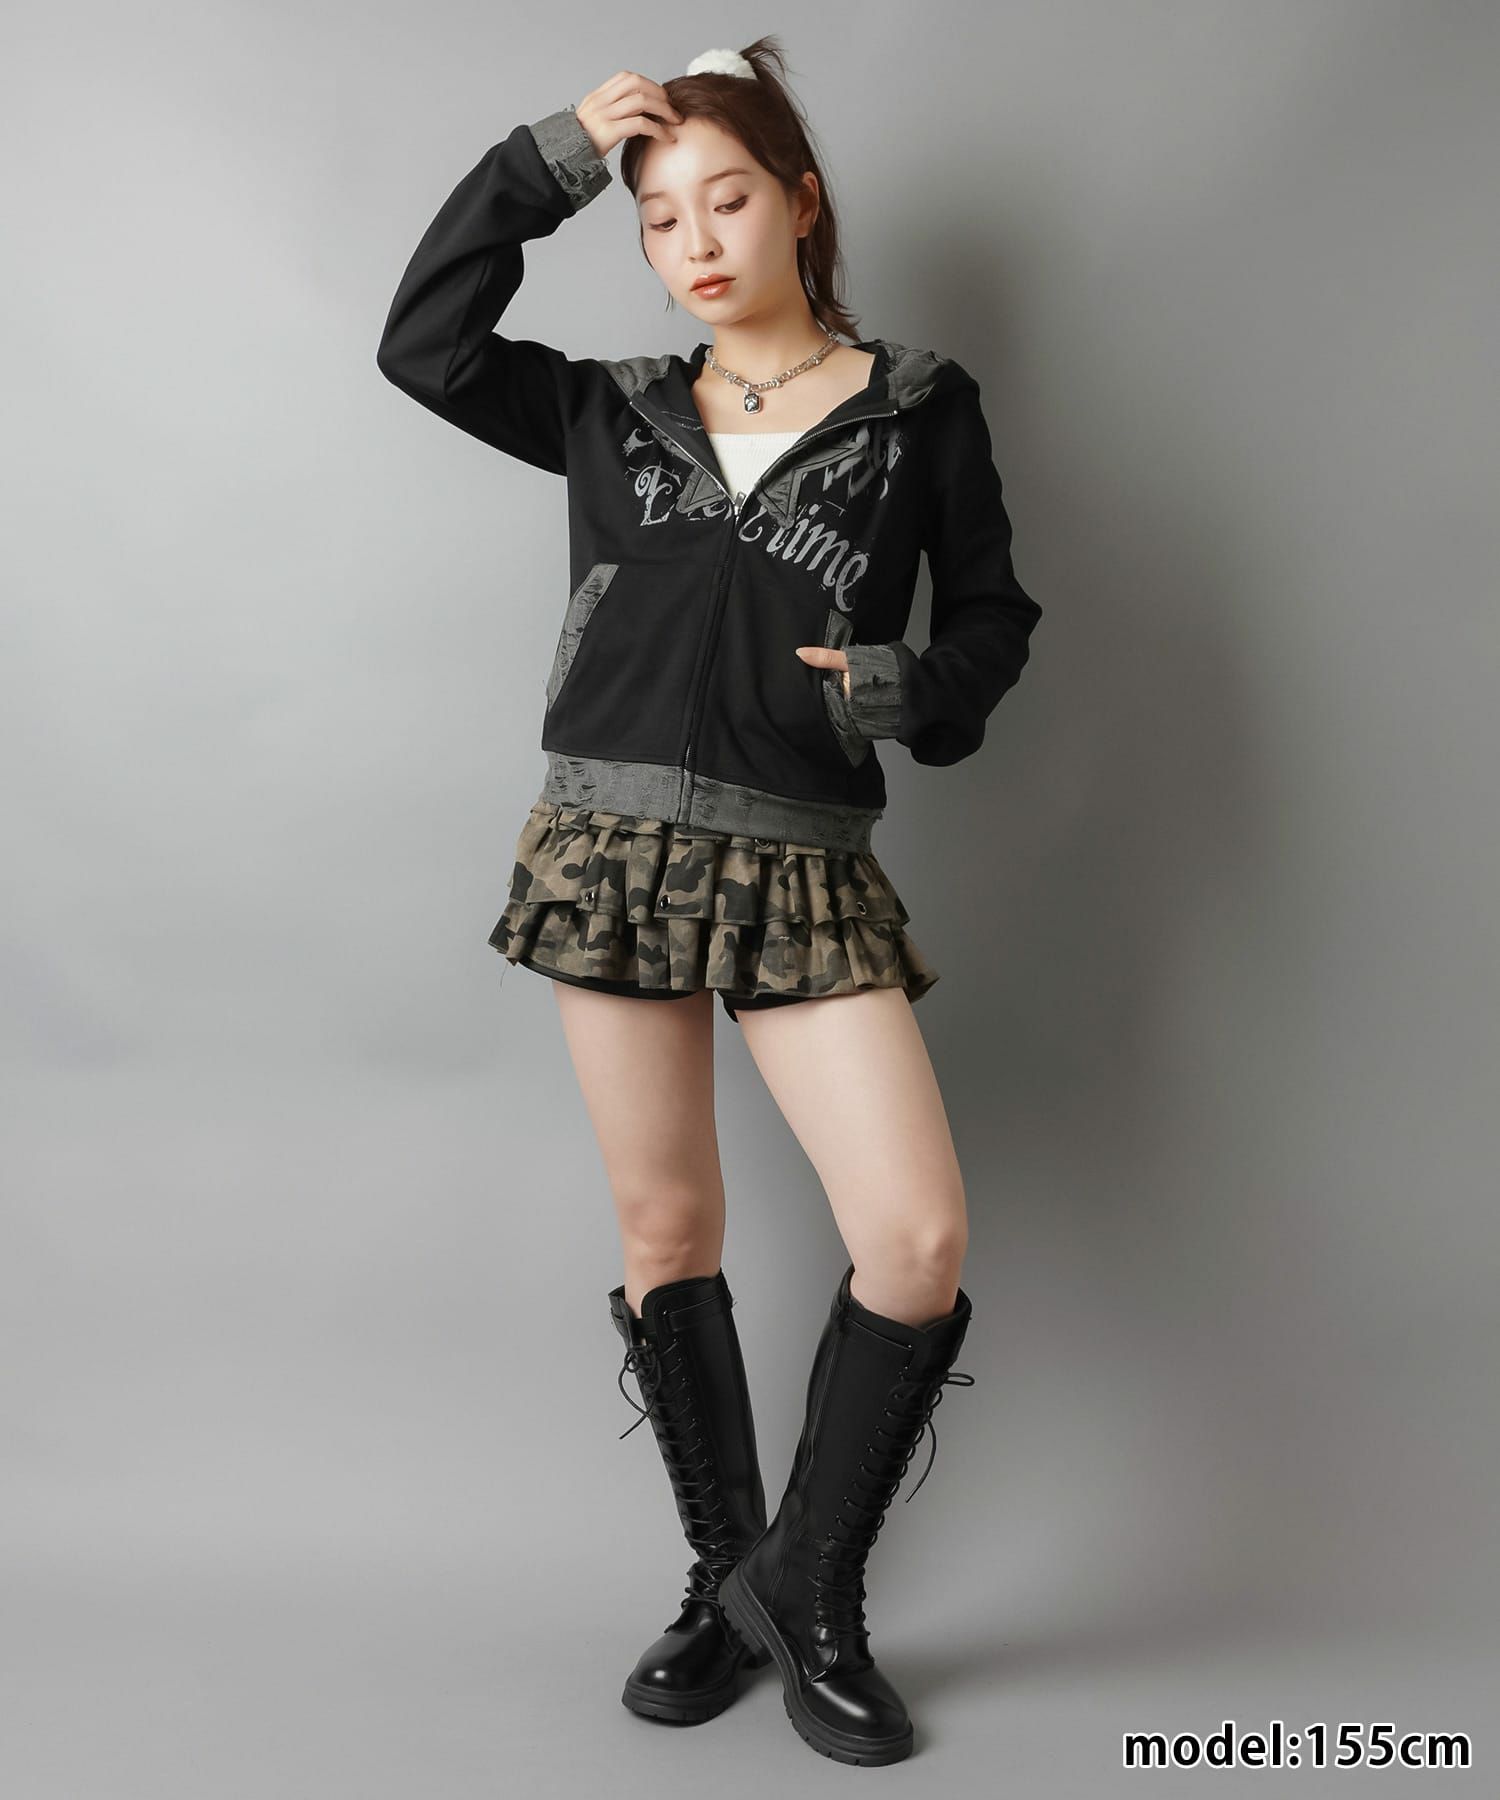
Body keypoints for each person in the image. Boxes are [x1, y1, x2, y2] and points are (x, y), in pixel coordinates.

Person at [376, 36, 1042, 1767]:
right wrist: (545, 161)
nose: (695, 242)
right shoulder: (610, 410)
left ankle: (807, 1587)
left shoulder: (919, 410)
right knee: (667, 1231)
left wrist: (905, 690)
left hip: (801, 855)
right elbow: (424, 344)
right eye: (661, 218)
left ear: (801, 203)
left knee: (915, 1236)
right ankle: (720, 1576)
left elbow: (993, 617)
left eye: (727, 200)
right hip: (607, 848)